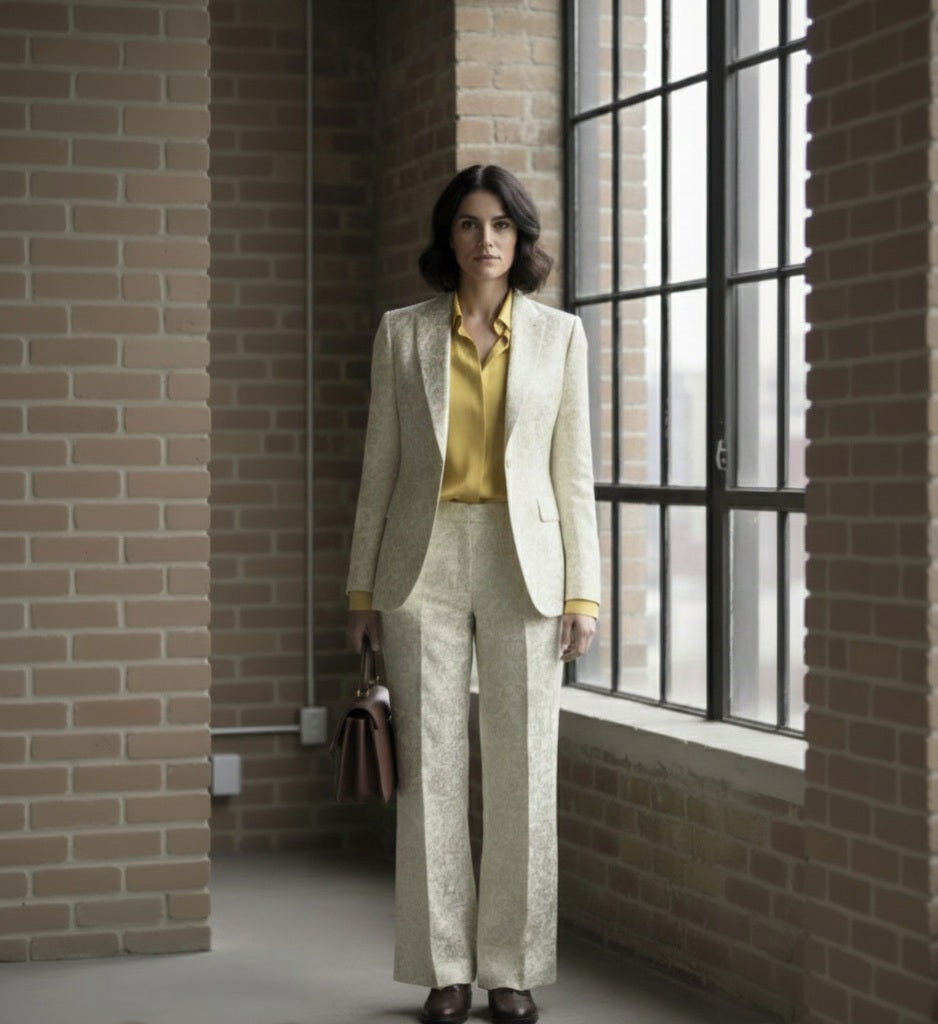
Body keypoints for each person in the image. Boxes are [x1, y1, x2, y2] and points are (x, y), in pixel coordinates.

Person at [346, 164, 600, 1024]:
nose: (484, 240)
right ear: (447, 237)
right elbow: (378, 470)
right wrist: (360, 594)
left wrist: (584, 593)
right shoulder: (402, 334)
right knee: (430, 775)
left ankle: (513, 969)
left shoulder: (563, 337)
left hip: (524, 561)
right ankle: (444, 968)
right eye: (468, 224)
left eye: (500, 225)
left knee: (528, 769)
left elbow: (575, 476)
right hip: (421, 562)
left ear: (520, 239)